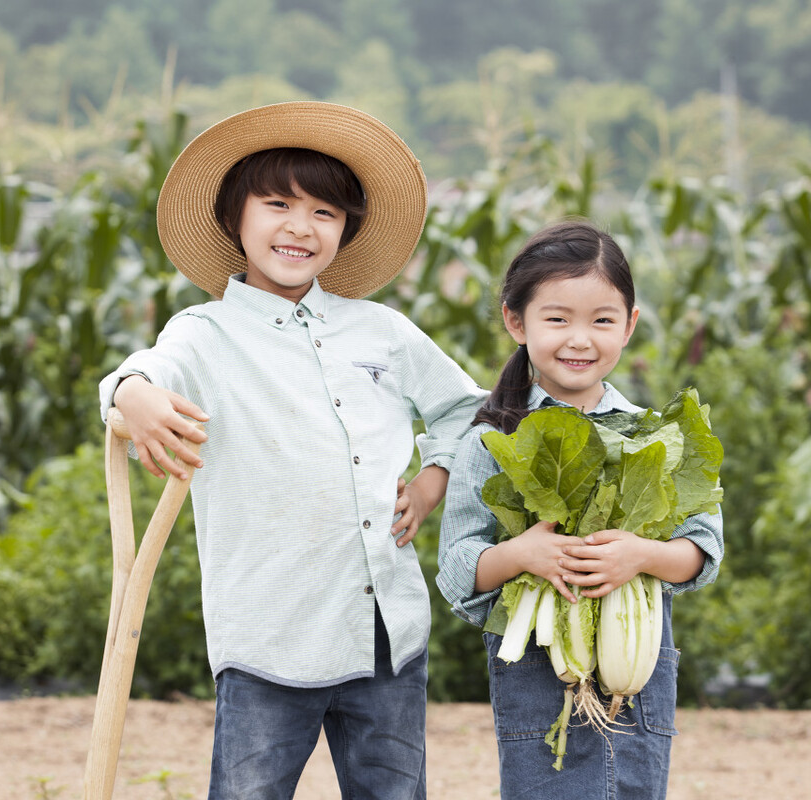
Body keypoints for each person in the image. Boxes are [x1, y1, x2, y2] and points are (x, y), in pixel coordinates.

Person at [99, 101, 487, 800]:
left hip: (384, 630)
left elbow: (468, 409)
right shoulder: (206, 333)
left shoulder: (382, 332)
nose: (299, 228)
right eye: (277, 204)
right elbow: (138, 376)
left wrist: (432, 481)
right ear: (234, 218)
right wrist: (134, 395)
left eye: (324, 213)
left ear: (346, 228)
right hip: (269, 633)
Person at [436, 219, 724, 799]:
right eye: (557, 318)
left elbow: (703, 549)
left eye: (602, 320)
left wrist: (641, 556)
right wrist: (522, 553)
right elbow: (455, 568)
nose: (580, 339)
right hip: (537, 674)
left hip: (634, 680)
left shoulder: (653, 435)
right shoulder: (490, 439)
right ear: (516, 322)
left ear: (630, 325)